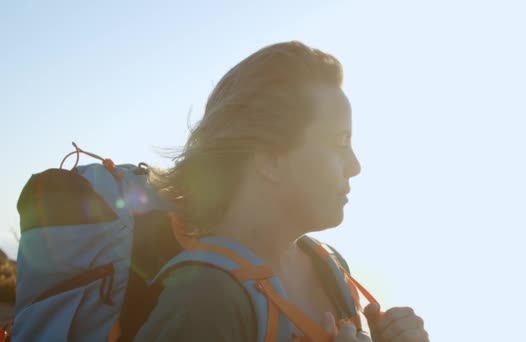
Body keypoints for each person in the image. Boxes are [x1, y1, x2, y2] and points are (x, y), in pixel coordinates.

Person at [135, 41, 429, 341]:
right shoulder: (204, 300)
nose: (355, 166)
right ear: (269, 159)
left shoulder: (329, 264)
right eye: (340, 142)